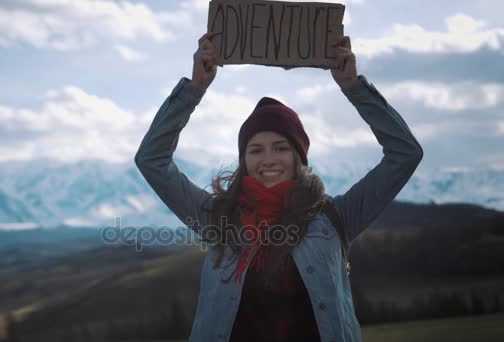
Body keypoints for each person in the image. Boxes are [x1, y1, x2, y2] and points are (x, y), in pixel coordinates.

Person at [135, 31, 423, 342]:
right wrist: (194, 89)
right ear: (244, 160)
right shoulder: (217, 217)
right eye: (256, 150)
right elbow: (152, 159)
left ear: (299, 157)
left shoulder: (335, 217)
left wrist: (354, 88)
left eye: (281, 147)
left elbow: (405, 154)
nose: (268, 159)